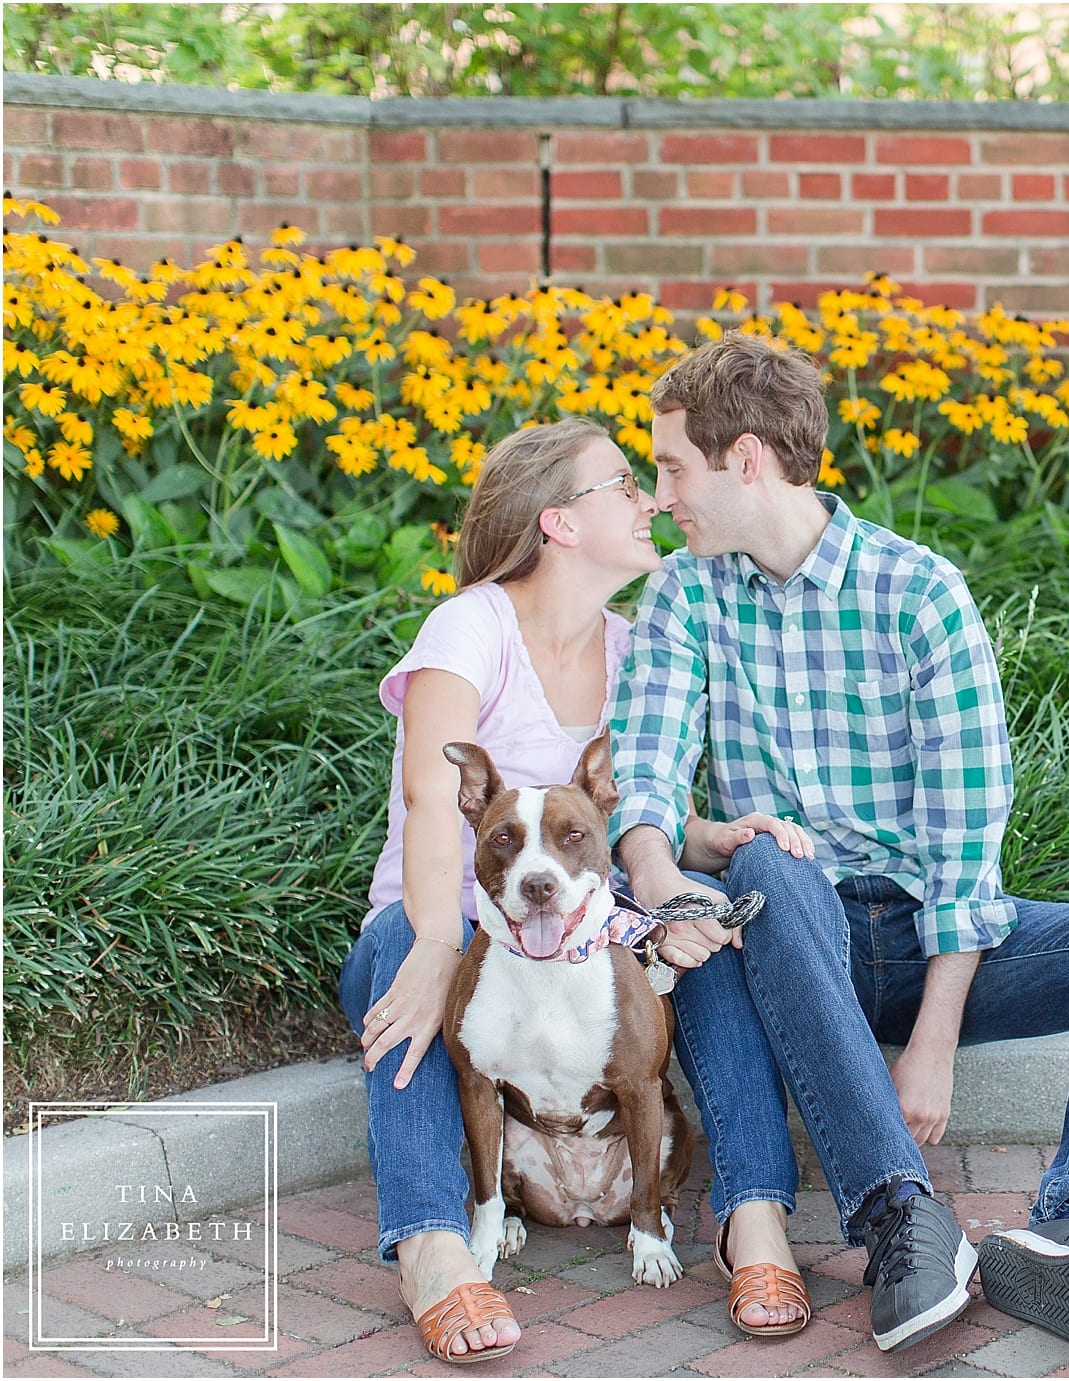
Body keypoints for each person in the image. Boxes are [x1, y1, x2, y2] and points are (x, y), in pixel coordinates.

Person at [609, 331, 1069, 1356]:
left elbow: (965, 834)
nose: (662, 496)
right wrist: (662, 874)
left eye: (673, 467)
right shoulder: (686, 595)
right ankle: (901, 1217)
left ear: (746, 458)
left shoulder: (918, 592)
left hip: (935, 940)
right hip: (797, 930)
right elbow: (650, 767)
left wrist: (935, 1034)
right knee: (762, 860)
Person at [338, 417, 679, 1364]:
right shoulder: (471, 622)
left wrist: (735, 838)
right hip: (442, 917)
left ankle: (751, 1219)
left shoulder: (634, 644)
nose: (648, 499)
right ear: (560, 523)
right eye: (623, 484)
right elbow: (423, 790)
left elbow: (657, 798)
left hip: (590, 937)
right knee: (405, 982)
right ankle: (434, 1247)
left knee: (716, 956)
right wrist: (438, 941)